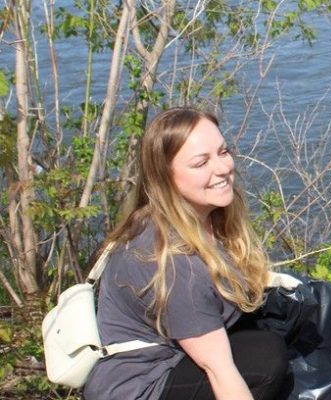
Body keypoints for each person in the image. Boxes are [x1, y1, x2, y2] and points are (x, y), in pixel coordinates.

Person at [84, 107, 290, 400]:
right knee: (265, 359)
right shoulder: (175, 264)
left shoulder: (196, 217)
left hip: (169, 356)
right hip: (141, 386)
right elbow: (222, 372)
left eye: (223, 151)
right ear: (165, 176)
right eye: (201, 162)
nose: (222, 169)